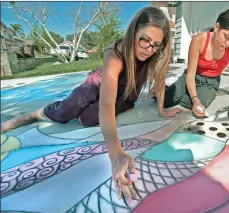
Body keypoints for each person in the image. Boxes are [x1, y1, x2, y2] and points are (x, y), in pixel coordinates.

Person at [0, 7, 181, 201]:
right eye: (144, 40)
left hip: (124, 96)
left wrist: (162, 110)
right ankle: (34, 115)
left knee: (87, 120)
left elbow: (160, 81)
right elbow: (106, 106)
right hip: (97, 84)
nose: (149, 49)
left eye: (156, 44)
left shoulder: (156, 54)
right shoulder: (116, 53)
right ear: (133, 32)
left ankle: (80, 109)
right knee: (65, 113)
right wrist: (116, 155)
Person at [163, 8, 229, 117]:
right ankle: (168, 90)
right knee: (165, 101)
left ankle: (184, 93)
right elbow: (190, 74)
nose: (228, 43)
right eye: (227, 37)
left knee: (197, 104)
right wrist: (195, 99)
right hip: (192, 76)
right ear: (217, 27)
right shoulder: (199, 40)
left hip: (210, 82)